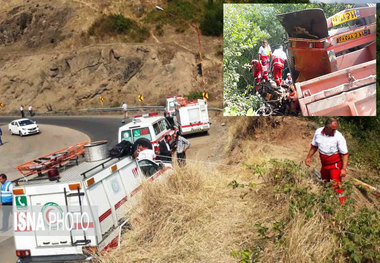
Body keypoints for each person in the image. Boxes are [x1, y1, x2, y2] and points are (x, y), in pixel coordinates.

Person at [305, 118, 349, 205]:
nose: (334, 131)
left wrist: (343, 169)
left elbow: (345, 154)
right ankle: (327, 202)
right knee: (325, 182)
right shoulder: (318, 132)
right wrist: (308, 157)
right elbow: (314, 146)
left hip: (335, 165)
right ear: (326, 127)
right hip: (324, 165)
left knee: (336, 185)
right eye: (332, 129)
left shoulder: (338, 137)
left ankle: (342, 204)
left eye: (335, 129)